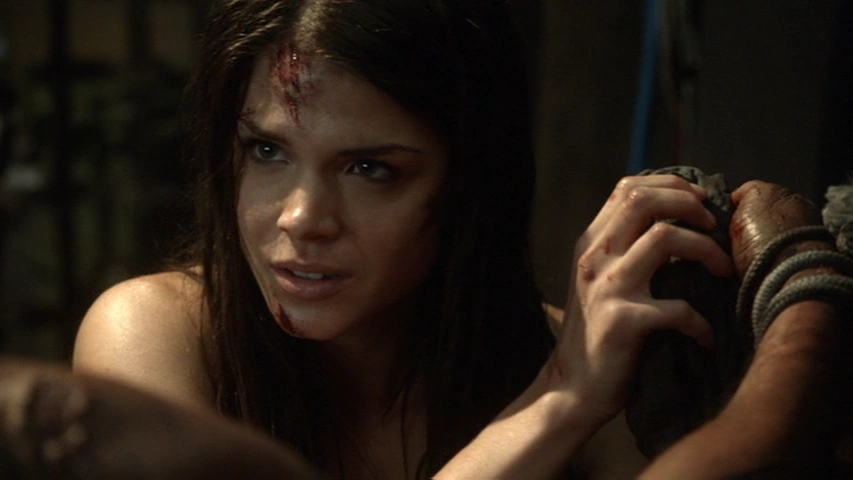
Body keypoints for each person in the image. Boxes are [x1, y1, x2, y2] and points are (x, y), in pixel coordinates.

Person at [4, 1, 841, 479]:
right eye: (266, 152)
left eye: (369, 168)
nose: (300, 218)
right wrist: (557, 401)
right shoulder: (153, 331)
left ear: (467, 184)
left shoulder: (571, 357)